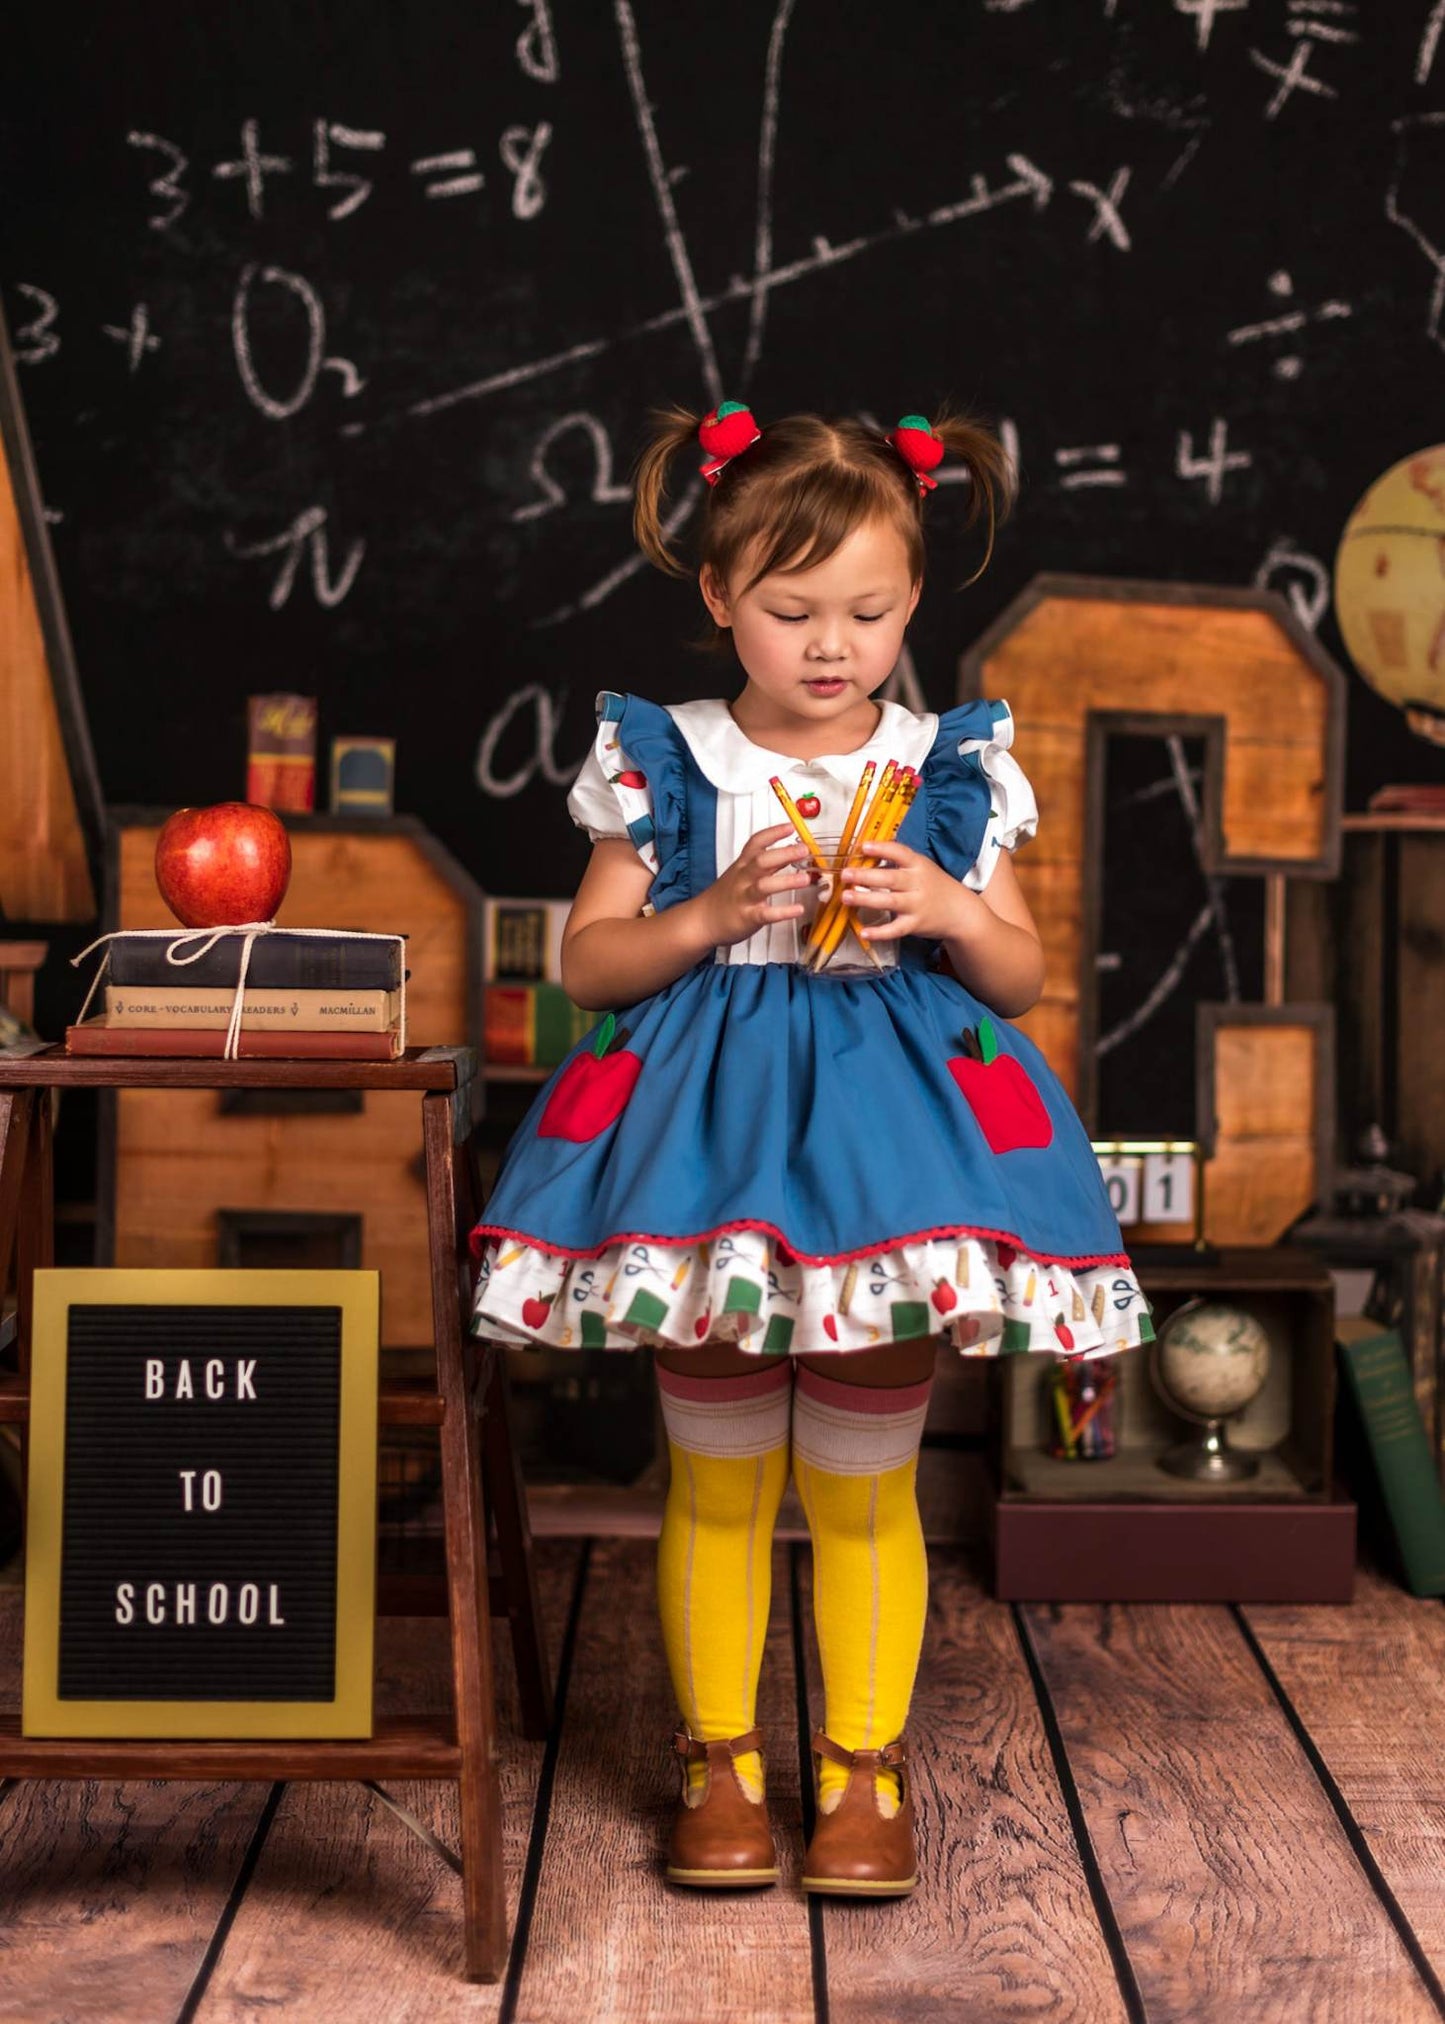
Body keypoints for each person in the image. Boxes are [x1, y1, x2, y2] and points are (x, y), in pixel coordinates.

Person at [470, 401, 1151, 1899]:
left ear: (911, 599)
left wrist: (950, 909)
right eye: (789, 612)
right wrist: (708, 915)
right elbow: (587, 968)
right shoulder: (668, 758)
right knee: (713, 1480)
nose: (830, 644)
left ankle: (861, 1770)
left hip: (887, 1164)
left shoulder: (944, 764)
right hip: (700, 1164)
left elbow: (1021, 979)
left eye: (867, 610)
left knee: (858, 1485)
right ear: (718, 597)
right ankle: (716, 1762)